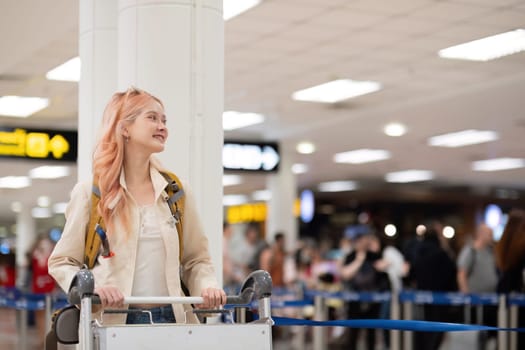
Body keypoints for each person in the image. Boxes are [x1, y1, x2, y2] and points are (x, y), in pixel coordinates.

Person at [48, 87, 226, 325]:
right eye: (152, 118)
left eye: (164, 120)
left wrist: (207, 287)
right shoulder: (91, 193)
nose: (162, 126)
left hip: (173, 320)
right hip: (113, 321)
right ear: (125, 128)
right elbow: (62, 261)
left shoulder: (176, 192)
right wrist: (93, 288)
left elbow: (197, 260)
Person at [457, 223, 498, 349]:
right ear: (481, 234)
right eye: (489, 234)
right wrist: (466, 294)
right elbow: (461, 273)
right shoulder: (470, 250)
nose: (492, 237)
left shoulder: (491, 251)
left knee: (491, 332)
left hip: (491, 300)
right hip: (475, 302)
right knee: (475, 333)